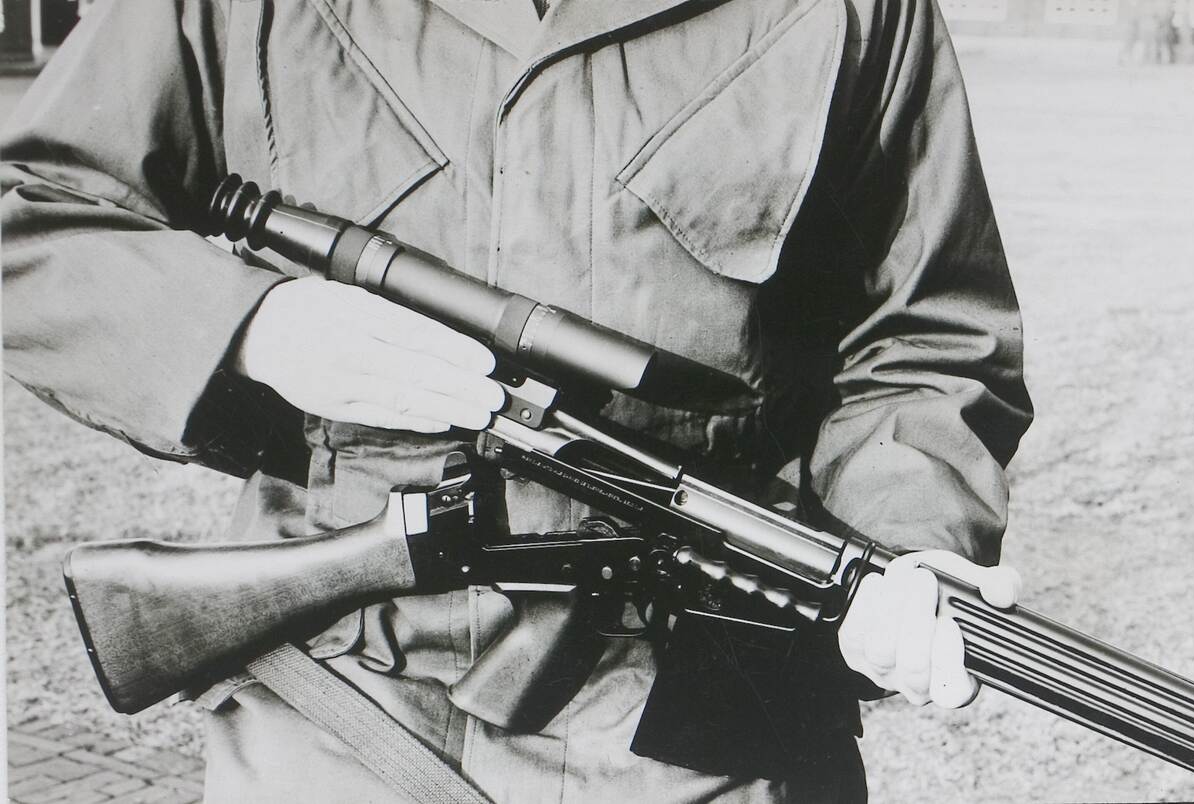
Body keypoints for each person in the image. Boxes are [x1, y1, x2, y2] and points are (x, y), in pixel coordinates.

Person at [2, 0, 1032, 801]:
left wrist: (906, 542)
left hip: (702, 714)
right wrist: (258, 325)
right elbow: (37, 219)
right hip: (341, 702)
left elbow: (926, 332)